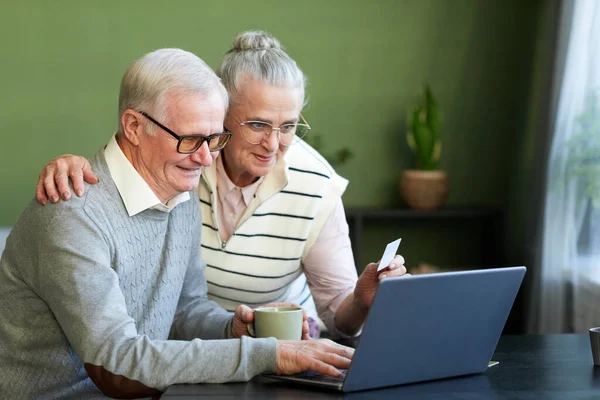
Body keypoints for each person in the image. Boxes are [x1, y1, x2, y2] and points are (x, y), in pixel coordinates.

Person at [0, 48, 354, 399]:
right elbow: (116, 366)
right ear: (134, 126)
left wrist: (231, 329)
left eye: (214, 139)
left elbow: (184, 308)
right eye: (190, 140)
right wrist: (269, 355)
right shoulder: (73, 216)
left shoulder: (177, 193)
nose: (204, 158)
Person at [35, 31, 407, 339]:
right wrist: (73, 164)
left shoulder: (316, 186)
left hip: (272, 348)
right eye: (258, 125)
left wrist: (359, 300)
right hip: (176, 349)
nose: (274, 145)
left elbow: (339, 319)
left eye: (289, 126)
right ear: (219, 114)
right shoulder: (182, 161)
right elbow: (126, 164)